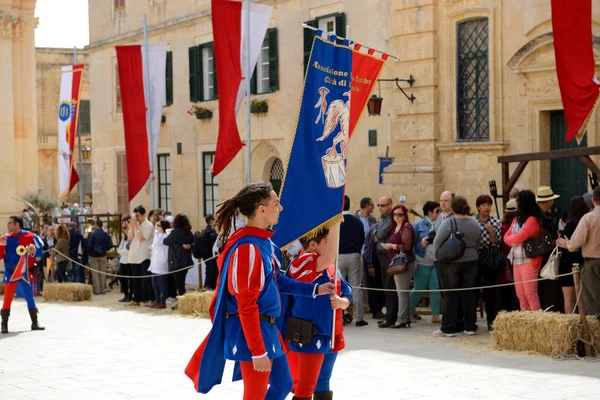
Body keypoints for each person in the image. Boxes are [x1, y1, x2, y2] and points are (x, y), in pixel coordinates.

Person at [184, 182, 336, 400]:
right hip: (252, 331)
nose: (281, 208)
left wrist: (315, 289)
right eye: (276, 203)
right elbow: (246, 304)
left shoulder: (265, 244)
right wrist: (258, 351)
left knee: (283, 385)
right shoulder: (248, 248)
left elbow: (278, 282)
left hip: (267, 329)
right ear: (261, 210)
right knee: (254, 395)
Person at [285, 222, 352, 400]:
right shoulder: (300, 263)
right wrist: (336, 221)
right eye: (326, 241)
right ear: (312, 244)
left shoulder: (330, 266)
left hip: (330, 332)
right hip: (309, 333)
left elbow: (347, 292)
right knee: (306, 386)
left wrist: (342, 302)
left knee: (323, 383)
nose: (331, 246)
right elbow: (329, 256)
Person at [432, 196, 481, 337]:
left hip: (451, 262)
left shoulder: (449, 222)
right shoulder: (474, 222)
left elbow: (437, 241)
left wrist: (438, 257)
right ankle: (470, 326)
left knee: (450, 295)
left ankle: (448, 328)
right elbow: (478, 242)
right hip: (471, 260)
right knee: (469, 294)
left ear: (453, 207)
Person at [557, 186, 600, 316]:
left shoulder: (588, 218)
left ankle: (595, 335)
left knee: (593, 303)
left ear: (593, 200)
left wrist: (566, 244)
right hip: (591, 262)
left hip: (592, 264)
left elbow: (575, 244)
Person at [0, 215, 45, 334]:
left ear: (17, 225)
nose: (8, 225)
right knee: (7, 298)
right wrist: (2, 245)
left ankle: (35, 323)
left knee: (30, 298)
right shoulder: (6, 238)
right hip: (10, 272)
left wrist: (33, 252)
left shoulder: (31, 236)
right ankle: (4, 325)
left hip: (25, 271)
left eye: (10, 223)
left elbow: (41, 251)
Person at [504, 190, 543, 311]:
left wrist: (513, 239)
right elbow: (506, 236)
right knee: (520, 295)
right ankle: (526, 323)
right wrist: (513, 240)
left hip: (529, 260)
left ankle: (537, 322)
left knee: (530, 294)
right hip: (517, 260)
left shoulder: (532, 220)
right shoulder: (517, 219)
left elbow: (520, 237)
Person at [381, 205, 416, 328]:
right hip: (396, 263)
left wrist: (391, 246)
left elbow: (407, 247)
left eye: (400, 214)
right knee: (402, 292)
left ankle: (401, 319)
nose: (397, 217)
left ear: (405, 215)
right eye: (395, 214)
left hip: (403, 263)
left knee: (402, 292)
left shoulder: (406, 227)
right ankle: (405, 318)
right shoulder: (396, 227)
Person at [473, 194, 502, 330]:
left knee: (490, 292)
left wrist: (491, 232)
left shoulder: (495, 222)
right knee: (473, 291)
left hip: (489, 258)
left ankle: (491, 321)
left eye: (488, 205)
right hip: (475, 258)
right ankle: (471, 321)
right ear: (478, 207)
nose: (487, 207)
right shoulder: (472, 221)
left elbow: (496, 243)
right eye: (484, 205)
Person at [411, 201, 441, 323]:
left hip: (437, 261)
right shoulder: (417, 225)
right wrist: (413, 260)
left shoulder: (442, 224)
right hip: (422, 260)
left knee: (436, 288)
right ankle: (408, 310)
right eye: (437, 211)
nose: (439, 213)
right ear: (429, 212)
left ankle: (435, 315)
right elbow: (411, 244)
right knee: (419, 288)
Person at [556, 197, 588, 314]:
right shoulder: (585, 222)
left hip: (567, 266)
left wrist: (562, 243)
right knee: (582, 300)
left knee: (569, 300)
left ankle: (571, 327)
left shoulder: (570, 225)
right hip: (583, 263)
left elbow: (562, 243)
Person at [338, 196, 366, 326]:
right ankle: (359, 318)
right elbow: (362, 239)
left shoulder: (335, 221)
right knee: (356, 287)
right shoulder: (357, 221)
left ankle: (338, 317)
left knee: (338, 287)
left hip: (339, 256)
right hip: (354, 254)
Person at [536, 186, 563, 312]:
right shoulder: (539, 217)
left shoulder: (546, 215)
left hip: (545, 253)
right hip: (541, 254)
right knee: (541, 283)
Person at [356, 197, 383, 319]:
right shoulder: (355, 219)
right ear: (367, 206)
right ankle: (364, 306)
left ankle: (369, 306)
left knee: (368, 281)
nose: (374, 207)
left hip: (369, 254)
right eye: (373, 205)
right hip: (358, 253)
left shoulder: (372, 220)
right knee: (359, 281)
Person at [374, 197, 397, 328]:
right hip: (381, 256)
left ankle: (391, 317)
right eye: (379, 205)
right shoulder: (382, 218)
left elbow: (380, 234)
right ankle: (389, 315)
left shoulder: (391, 218)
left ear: (390, 205)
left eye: (383, 205)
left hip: (388, 256)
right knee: (386, 287)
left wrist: (377, 235)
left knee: (390, 287)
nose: (380, 208)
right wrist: (376, 234)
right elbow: (374, 234)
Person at [127, 205, 154, 306]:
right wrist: (131, 227)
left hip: (144, 256)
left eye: (138, 216)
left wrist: (136, 227)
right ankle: (136, 299)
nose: (136, 218)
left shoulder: (149, 226)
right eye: (135, 216)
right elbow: (130, 238)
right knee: (135, 279)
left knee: (147, 279)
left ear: (144, 215)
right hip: (134, 256)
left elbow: (141, 238)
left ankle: (151, 299)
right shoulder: (136, 225)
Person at [163, 214, 194, 296]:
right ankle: (182, 299)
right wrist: (189, 246)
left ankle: (182, 300)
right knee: (181, 282)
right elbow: (193, 242)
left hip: (176, 261)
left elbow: (165, 241)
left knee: (179, 283)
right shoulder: (188, 232)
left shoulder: (175, 232)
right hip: (186, 261)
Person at [87, 220, 114, 295]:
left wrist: (91, 252)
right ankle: (102, 290)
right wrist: (104, 249)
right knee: (102, 273)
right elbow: (110, 245)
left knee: (95, 273)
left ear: (96, 225)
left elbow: (89, 246)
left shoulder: (93, 234)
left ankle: (97, 290)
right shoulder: (106, 234)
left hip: (94, 256)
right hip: (103, 256)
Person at [149, 220, 170, 309]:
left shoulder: (166, 236)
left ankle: (162, 301)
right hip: (154, 262)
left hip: (161, 261)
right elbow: (154, 244)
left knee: (161, 283)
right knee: (154, 283)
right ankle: (156, 300)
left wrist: (157, 233)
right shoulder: (157, 234)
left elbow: (158, 243)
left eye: (159, 225)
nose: (157, 227)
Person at [199, 214, 219, 289]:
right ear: (211, 221)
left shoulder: (205, 231)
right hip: (211, 256)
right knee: (212, 273)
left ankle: (207, 287)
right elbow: (214, 246)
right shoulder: (211, 233)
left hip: (206, 256)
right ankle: (209, 287)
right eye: (215, 219)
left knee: (208, 272)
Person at [116, 216, 132, 302]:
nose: (122, 224)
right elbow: (120, 249)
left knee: (131, 279)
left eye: (123, 222)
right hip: (123, 260)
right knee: (122, 278)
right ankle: (126, 294)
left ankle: (131, 295)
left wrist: (123, 251)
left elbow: (130, 249)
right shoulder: (124, 236)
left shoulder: (131, 233)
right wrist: (123, 251)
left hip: (130, 260)